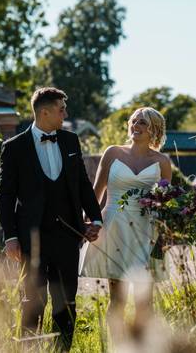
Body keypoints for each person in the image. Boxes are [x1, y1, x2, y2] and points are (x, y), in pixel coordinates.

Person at [0, 87, 102, 351]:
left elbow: (82, 183)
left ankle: (63, 349)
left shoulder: (70, 141)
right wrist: (10, 237)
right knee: (33, 299)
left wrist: (96, 219)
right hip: (30, 237)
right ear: (44, 112)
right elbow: (6, 196)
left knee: (66, 300)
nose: (65, 114)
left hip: (68, 235)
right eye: (61, 109)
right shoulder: (14, 148)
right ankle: (28, 349)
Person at [80, 107, 172, 337]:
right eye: (134, 121)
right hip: (115, 227)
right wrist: (88, 222)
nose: (136, 126)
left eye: (142, 123)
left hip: (146, 231)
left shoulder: (162, 162)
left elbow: (166, 202)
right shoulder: (112, 153)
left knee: (144, 302)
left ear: (154, 130)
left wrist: (167, 233)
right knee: (117, 299)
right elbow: (96, 192)